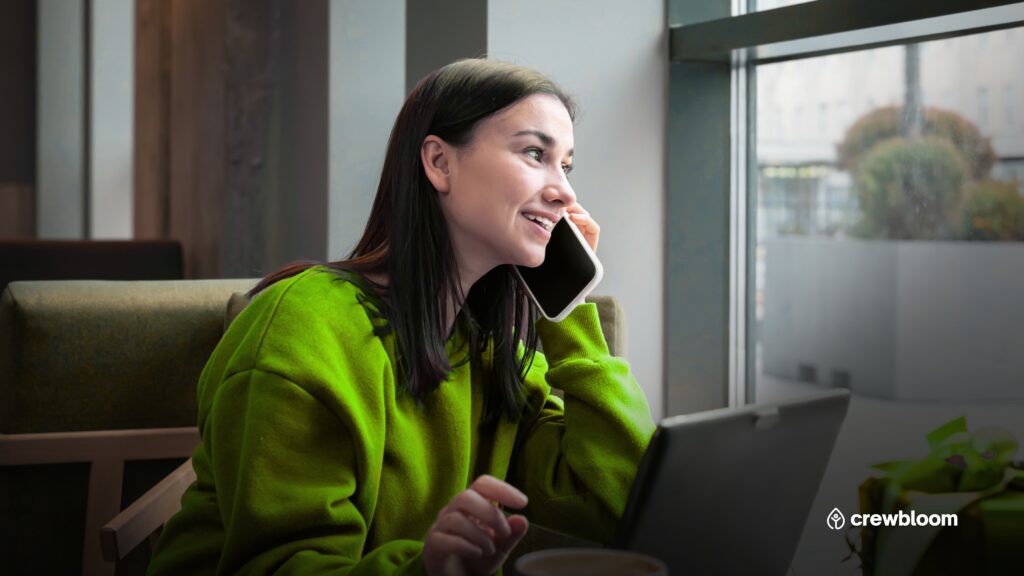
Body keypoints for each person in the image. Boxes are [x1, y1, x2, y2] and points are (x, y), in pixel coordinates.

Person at [148, 58, 655, 576]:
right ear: (439, 163)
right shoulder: (305, 328)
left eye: (565, 166)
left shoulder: (489, 352)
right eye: (534, 153)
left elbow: (615, 504)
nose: (565, 193)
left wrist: (566, 304)